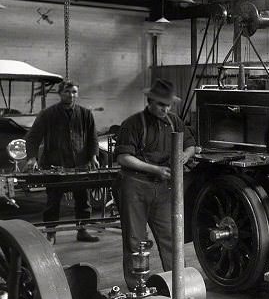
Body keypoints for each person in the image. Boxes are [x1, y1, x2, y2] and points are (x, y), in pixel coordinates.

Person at [115, 79, 197, 286]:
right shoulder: (132, 124)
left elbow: (191, 145)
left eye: (168, 105)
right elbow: (124, 158)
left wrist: (184, 156)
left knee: (171, 237)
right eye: (161, 105)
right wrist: (155, 169)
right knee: (136, 241)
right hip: (135, 187)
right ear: (150, 101)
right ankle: (137, 287)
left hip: (163, 190)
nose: (165, 109)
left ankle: (180, 285)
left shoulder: (174, 121)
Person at [24, 81, 100, 243]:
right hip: (54, 165)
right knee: (53, 201)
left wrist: (93, 156)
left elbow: (93, 138)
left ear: (77, 94)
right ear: (60, 93)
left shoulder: (86, 114)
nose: (71, 95)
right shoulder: (47, 114)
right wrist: (32, 158)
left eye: (74, 92)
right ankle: (51, 233)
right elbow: (33, 137)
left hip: (79, 165)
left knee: (83, 200)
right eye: (67, 91)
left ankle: (82, 230)